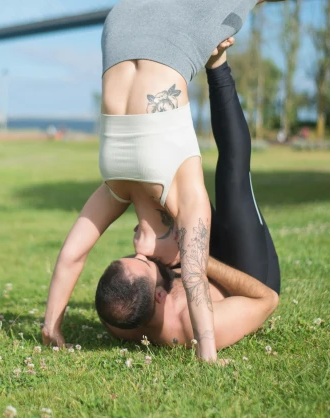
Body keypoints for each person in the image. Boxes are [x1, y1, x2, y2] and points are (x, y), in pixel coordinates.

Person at [43, 0, 330, 362]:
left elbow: (190, 275)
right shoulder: (118, 183)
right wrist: (50, 321)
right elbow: (79, 255)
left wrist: (52, 323)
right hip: (124, 29)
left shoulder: (146, 196)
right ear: (163, 292)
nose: (139, 247)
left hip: (159, 36)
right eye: (141, 258)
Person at [95, 50, 280, 349]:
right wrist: (198, 261)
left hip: (189, 258)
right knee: (231, 178)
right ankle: (218, 63)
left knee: (169, 192)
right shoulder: (188, 327)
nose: (141, 254)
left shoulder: (119, 310)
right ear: (158, 295)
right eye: (144, 264)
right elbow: (268, 300)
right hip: (248, 275)